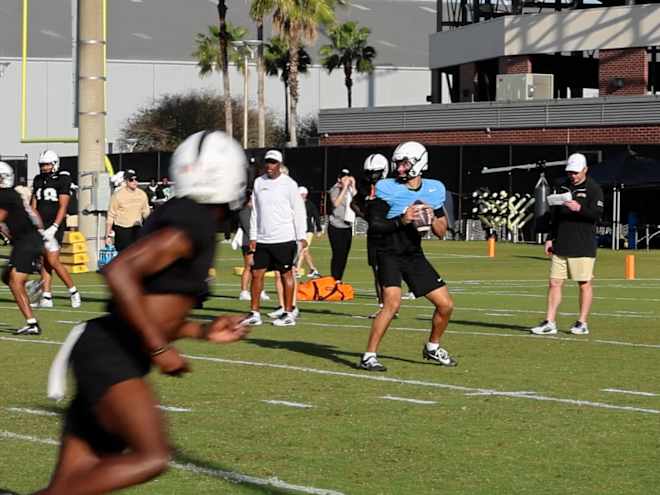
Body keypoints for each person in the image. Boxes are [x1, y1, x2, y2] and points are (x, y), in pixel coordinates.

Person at [37, 130, 251, 494]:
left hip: (105, 350)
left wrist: (201, 331)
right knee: (152, 456)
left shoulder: (186, 217)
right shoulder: (193, 221)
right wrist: (159, 349)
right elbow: (120, 272)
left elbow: (153, 307)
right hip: (111, 354)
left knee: (67, 488)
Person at [358, 141, 457, 372]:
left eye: (405, 164)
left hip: (413, 253)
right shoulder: (385, 187)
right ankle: (369, 355)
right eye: (398, 164)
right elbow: (375, 225)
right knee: (392, 303)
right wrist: (402, 219)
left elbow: (442, 231)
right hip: (388, 251)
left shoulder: (434, 189)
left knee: (446, 305)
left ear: (419, 163)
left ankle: (432, 347)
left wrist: (431, 217)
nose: (400, 169)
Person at [530, 153, 604, 336]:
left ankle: (582, 322)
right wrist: (549, 237)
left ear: (585, 170)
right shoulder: (561, 186)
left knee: (584, 283)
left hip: (582, 245)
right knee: (554, 282)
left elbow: (597, 215)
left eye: (576, 172)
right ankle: (550, 321)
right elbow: (554, 216)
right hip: (561, 243)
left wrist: (579, 209)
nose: (573, 175)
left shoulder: (594, 189)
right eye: (570, 172)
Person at [243, 150, 307, 327]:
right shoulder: (258, 182)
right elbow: (255, 212)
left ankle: (288, 313)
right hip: (262, 239)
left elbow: (299, 211)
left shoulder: (289, 184)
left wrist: (301, 236)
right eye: (267, 162)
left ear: (279, 164)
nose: (269, 166)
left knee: (286, 274)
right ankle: (254, 312)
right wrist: (253, 236)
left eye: (273, 163)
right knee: (257, 274)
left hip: (284, 238)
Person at [30, 150, 81, 308]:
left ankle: (73, 291)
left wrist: (55, 226)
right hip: (41, 224)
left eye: (46, 164)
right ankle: (46, 296)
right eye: (42, 165)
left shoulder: (63, 178)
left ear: (54, 164)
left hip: (54, 225)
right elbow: (34, 204)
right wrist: (35, 224)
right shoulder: (38, 179)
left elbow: (63, 206)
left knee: (52, 260)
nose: (44, 168)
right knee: (43, 260)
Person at [0, 162, 46, 335]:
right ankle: (31, 287)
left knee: (14, 281)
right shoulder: (10, 194)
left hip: (27, 241)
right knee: (6, 277)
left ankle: (32, 323)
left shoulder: (5, 195)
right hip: (27, 241)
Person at [351, 153, 389, 318]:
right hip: (374, 235)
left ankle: (390, 306)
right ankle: (382, 306)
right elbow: (354, 203)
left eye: (375, 173)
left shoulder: (392, 186)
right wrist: (366, 215)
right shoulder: (365, 187)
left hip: (390, 233)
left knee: (390, 271)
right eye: (369, 173)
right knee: (376, 270)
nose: (372, 176)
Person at [105, 169, 151, 252]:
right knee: (124, 254)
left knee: (137, 253)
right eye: (131, 180)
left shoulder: (142, 194)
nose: (134, 182)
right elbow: (111, 216)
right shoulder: (117, 195)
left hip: (136, 228)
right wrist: (107, 235)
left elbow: (146, 212)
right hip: (122, 229)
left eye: (136, 179)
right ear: (126, 181)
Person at [236, 193, 269, 302]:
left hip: (259, 241)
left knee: (260, 268)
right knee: (248, 267)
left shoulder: (257, 210)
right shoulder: (244, 210)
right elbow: (248, 227)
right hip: (248, 242)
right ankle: (244, 291)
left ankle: (260, 290)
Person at [327, 168, 356, 283]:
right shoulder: (335, 189)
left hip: (347, 226)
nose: (346, 178)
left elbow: (357, 198)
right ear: (339, 179)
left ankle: (339, 278)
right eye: (344, 177)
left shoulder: (350, 190)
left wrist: (353, 185)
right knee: (337, 254)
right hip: (336, 226)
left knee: (344, 255)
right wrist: (344, 188)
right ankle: (335, 278)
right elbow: (336, 203)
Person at [295, 186, 322, 279]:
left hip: (308, 231)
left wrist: (319, 229)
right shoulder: (295, 205)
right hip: (298, 231)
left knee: (303, 250)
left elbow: (316, 216)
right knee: (305, 251)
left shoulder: (310, 204)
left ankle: (297, 270)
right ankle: (313, 269)